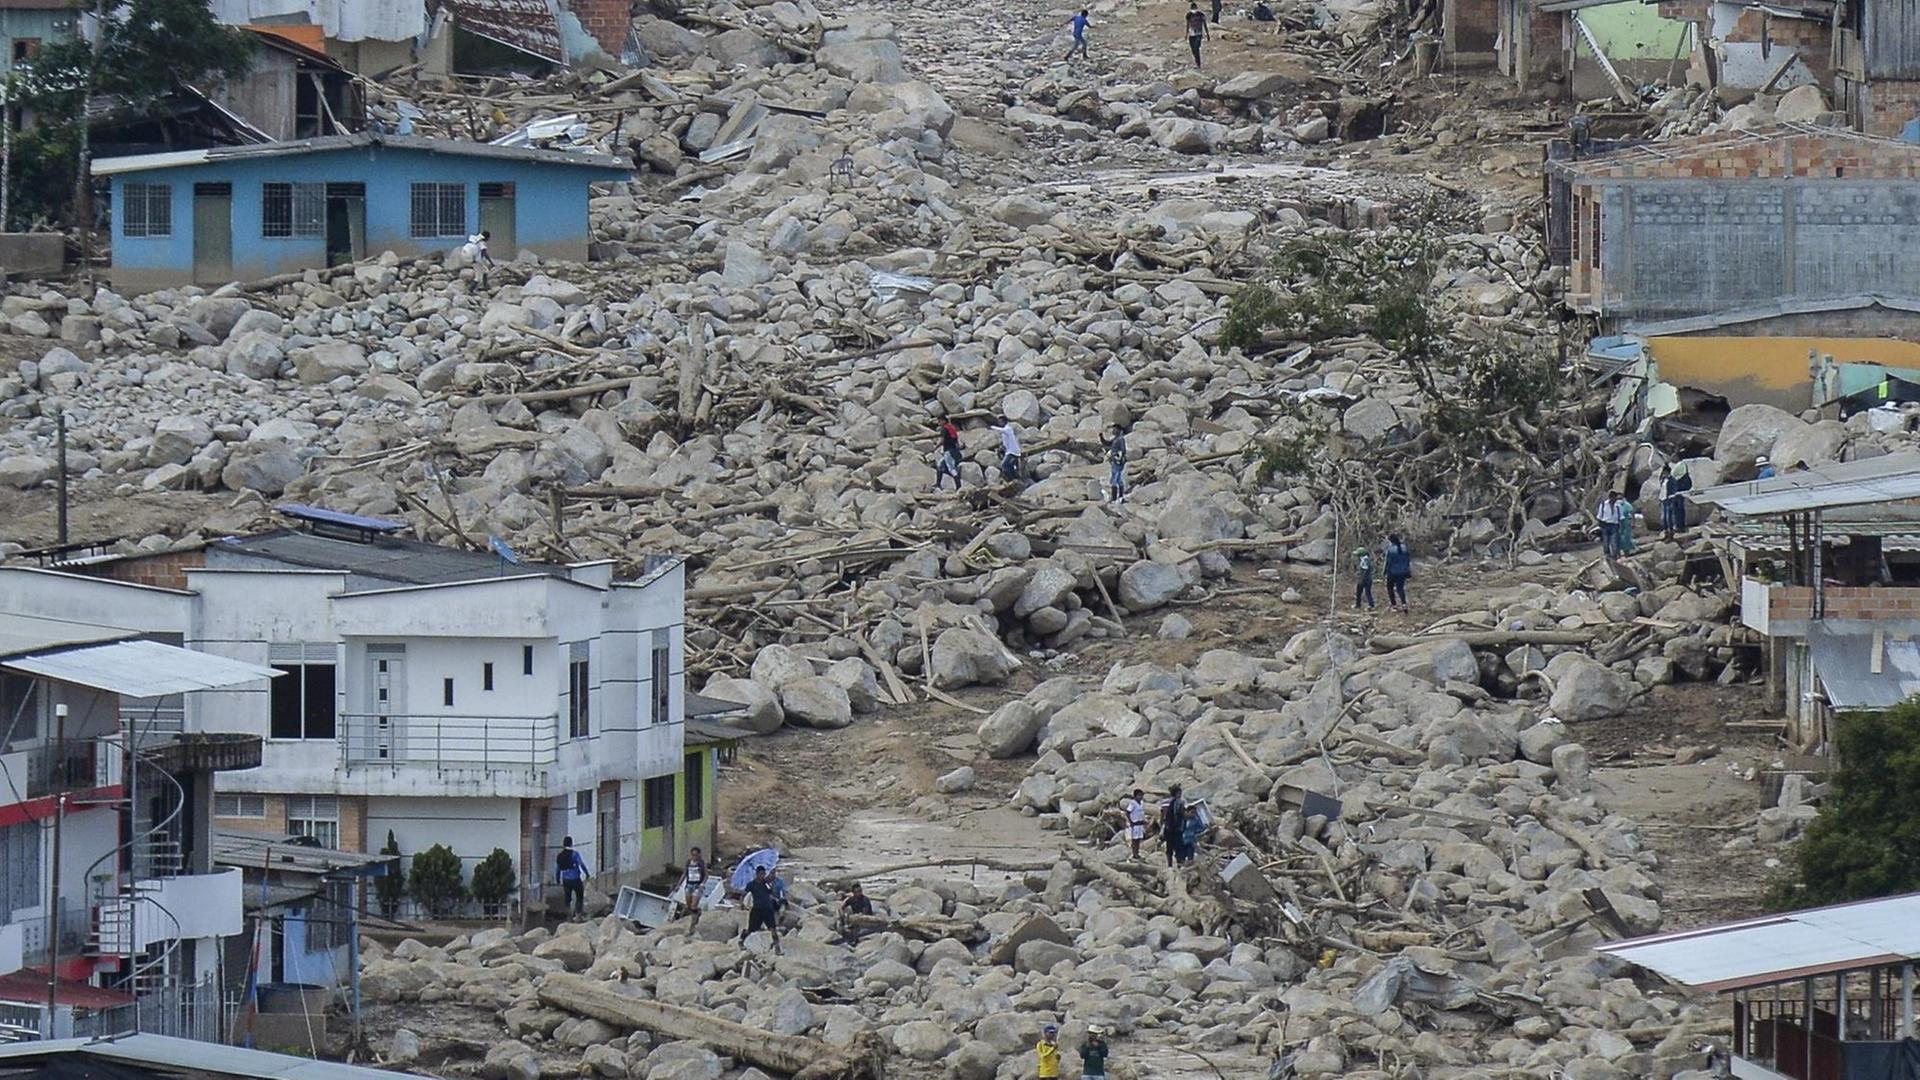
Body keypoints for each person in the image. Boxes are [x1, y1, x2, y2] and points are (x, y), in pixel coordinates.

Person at [742, 865, 782, 950]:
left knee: (772, 928)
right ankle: (742, 940)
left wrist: (770, 886)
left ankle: (777, 946)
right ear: (757, 874)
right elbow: (744, 894)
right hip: (757, 909)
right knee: (751, 929)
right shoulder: (751, 884)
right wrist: (742, 904)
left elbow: (771, 892)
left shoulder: (766, 883)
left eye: (763, 874)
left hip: (768, 909)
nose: (762, 876)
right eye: (760, 874)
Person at [556, 836, 590, 918]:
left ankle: (568, 916)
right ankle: (578, 915)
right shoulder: (574, 854)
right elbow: (581, 864)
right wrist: (587, 874)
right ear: (571, 844)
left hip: (565, 880)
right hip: (575, 879)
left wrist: (557, 879)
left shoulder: (560, 855)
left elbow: (557, 869)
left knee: (567, 898)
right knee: (579, 896)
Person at [1660, 464, 1692, 540]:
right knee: (1663, 518)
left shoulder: (1672, 480)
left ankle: (1670, 534)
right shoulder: (1663, 480)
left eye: (1665, 473)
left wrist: (1672, 500)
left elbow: (1673, 491)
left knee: (1669, 518)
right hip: (1663, 499)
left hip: (1669, 500)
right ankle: (1665, 533)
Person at [682, 846, 709, 930]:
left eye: (696, 855)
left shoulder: (701, 863)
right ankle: (697, 912)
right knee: (688, 905)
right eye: (693, 855)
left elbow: (706, 875)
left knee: (693, 905)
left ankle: (693, 925)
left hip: (697, 885)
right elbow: (684, 874)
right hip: (689, 885)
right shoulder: (688, 862)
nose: (694, 857)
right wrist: (678, 885)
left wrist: (702, 884)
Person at [1384, 534, 1412, 611]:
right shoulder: (1404, 548)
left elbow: (1388, 562)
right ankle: (1404, 604)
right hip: (1403, 572)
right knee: (1400, 588)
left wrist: (1385, 571)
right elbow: (1408, 560)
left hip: (1392, 572)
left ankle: (1394, 605)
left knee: (1390, 588)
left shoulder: (1390, 549)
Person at [934, 417, 962, 490]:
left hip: (948, 451)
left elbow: (942, 441)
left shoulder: (944, 429)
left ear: (943, 421)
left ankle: (959, 487)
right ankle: (938, 484)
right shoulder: (951, 427)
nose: (938, 423)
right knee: (940, 466)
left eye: (939, 421)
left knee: (951, 469)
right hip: (954, 450)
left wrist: (935, 447)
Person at [1161, 785, 1186, 867]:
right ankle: (1177, 864)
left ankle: (1171, 864)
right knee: (1177, 847)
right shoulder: (1179, 803)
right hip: (1175, 828)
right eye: (1179, 793)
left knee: (1171, 848)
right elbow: (1182, 814)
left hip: (1170, 828)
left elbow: (1163, 815)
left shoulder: (1166, 802)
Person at [1595, 491, 1623, 557]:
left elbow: (1621, 517)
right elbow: (1599, 516)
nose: (1615, 500)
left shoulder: (1618, 506)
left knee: (1614, 543)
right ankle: (1607, 556)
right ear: (1610, 497)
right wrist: (1600, 526)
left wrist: (1621, 527)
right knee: (1606, 542)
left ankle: (1614, 556)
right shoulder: (1603, 505)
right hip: (1605, 525)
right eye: (1614, 498)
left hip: (1614, 525)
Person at [1122, 788, 1148, 858]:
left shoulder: (1142, 803)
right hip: (1135, 823)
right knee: (1135, 839)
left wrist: (1144, 820)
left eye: (1141, 795)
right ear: (1135, 796)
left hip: (1140, 823)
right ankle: (1134, 853)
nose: (1140, 797)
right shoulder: (1133, 803)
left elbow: (1142, 813)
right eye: (1139, 795)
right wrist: (1131, 822)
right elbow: (1127, 812)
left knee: (1139, 839)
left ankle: (1137, 852)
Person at [1612, 491, 1638, 556]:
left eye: (1620, 499)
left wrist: (1633, 522)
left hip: (1626, 523)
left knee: (1626, 538)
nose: (1619, 500)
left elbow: (1632, 513)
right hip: (1617, 524)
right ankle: (1617, 554)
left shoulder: (1627, 505)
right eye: (1617, 499)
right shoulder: (1614, 505)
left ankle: (1627, 553)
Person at [1108, 428, 1128, 502]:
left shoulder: (1121, 439)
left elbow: (1123, 450)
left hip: (1118, 461)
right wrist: (1101, 438)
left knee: (1116, 479)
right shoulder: (1115, 439)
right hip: (1114, 461)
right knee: (1117, 478)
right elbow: (1108, 443)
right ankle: (1119, 496)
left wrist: (1118, 457)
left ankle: (1116, 497)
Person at [1353, 545, 1375, 610]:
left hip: (1365, 579)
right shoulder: (1363, 559)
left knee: (1367, 592)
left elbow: (1365, 571)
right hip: (1364, 579)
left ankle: (1371, 605)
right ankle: (1358, 604)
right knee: (1359, 592)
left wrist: (1361, 580)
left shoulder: (1365, 560)